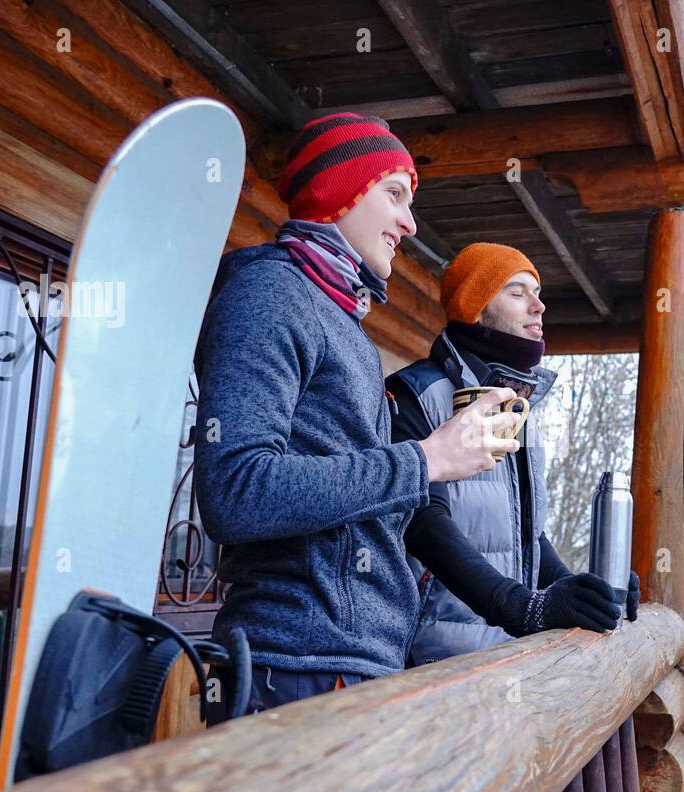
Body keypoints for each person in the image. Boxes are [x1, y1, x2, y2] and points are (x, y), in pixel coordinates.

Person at [192, 114, 519, 717]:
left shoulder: (346, 324)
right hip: (295, 669)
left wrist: (522, 602)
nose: (410, 221)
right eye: (393, 193)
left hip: (356, 666)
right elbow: (233, 490)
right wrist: (425, 458)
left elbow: (362, 501)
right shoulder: (269, 296)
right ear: (338, 189)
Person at [386, 242, 641, 665]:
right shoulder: (414, 394)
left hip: (502, 654)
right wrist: (521, 607)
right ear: (477, 307)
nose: (539, 306)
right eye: (517, 292)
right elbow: (422, 521)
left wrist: (577, 591)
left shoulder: (519, 406)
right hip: (428, 659)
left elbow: (528, 533)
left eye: (537, 293)